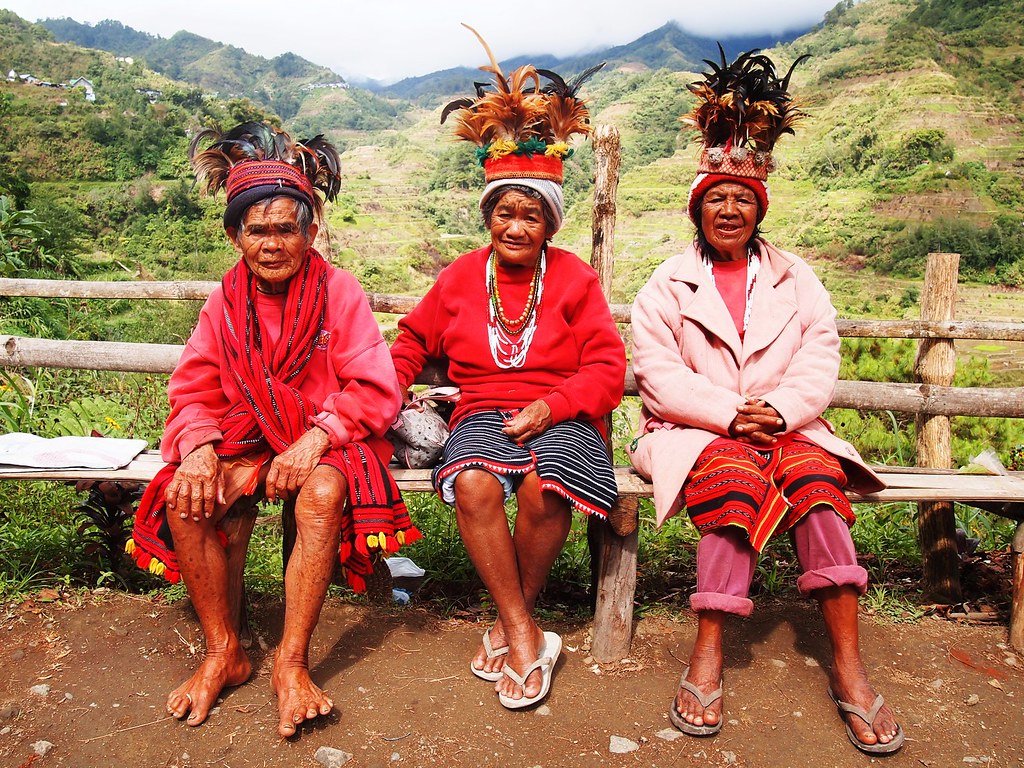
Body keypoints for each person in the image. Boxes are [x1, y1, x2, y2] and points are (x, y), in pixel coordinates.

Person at [628, 49, 904, 754]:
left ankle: (849, 665)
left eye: (742, 199)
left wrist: (779, 410)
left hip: (789, 424)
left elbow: (822, 352)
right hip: (693, 430)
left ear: (758, 208)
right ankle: (709, 650)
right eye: (716, 197)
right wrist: (728, 414)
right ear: (698, 207)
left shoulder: (796, 277)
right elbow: (657, 372)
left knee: (817, 481)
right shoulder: (667, 284)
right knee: (733, 479)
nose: (729, 208)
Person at [126, 122, 420, 737]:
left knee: (321, 495)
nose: (271, 244)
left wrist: (316, 438)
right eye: (257, 230)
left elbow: (374, 386)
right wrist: (200, 448)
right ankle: (223, 651)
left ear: (309, 231)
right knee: (186, 494)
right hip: (246, 437)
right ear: (235, 235)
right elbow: (193, 387)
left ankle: (291, 662)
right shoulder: (223, 301)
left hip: (320, 437)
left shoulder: (338, 291)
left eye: (286, 228)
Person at [390, 28, 624, 710]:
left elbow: (609, 367)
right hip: (481, 412)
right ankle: (525, 630)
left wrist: (554, 406)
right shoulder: (461, 277)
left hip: (565, 411)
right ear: (488, 215)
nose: (515, 225)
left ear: (550, 223)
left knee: (548, 489)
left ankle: (504, 622)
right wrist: (393, 376)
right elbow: (411, 340)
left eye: (530, 214)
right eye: (504, 211)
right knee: (475, 486)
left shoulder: (575, 279)